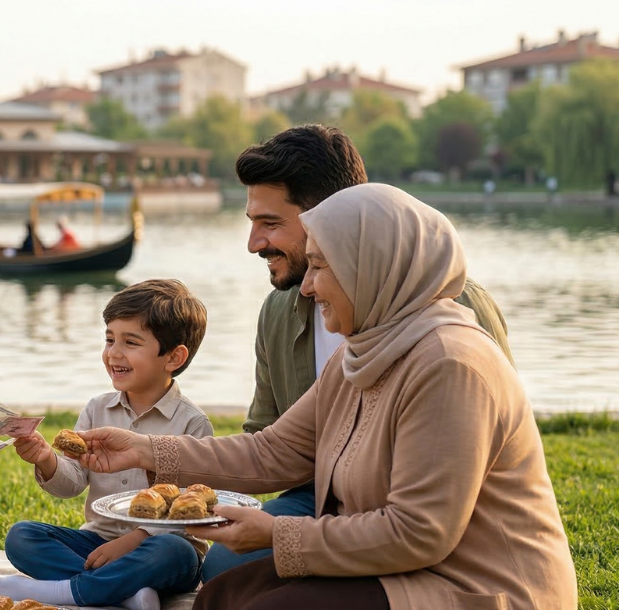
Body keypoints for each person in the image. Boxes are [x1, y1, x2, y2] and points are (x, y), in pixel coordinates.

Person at [78, 184, 577, 610]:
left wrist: (277, 535)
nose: (308, 288)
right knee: (216, 603)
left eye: (320, 268)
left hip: (478, 596)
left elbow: (419, 533)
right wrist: (145, 449)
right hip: (394, 573)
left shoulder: (449, 363)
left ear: (372, 265)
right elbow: (272, 451)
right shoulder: (361, 353)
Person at [199, 125, 514, 582]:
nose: (253, 244)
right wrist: (150, 458)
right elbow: (267, 440)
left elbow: (485, 448)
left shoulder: (458, 310)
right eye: (251, 223)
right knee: (227, 572)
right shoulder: (279, 311)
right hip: (319, 496)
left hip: (429, 508)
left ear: (332, 219)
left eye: (269, 224)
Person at [0, 280, 211, 610]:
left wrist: (133, 540)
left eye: (131, 342)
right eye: (110, 339)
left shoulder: (192, 425)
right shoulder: (97, 409)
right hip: (97, 541)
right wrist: (46, 459)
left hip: (156, 547)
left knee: (174, 551)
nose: (114, 353)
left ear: (173, 357)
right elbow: (72, 483)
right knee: (21, 536)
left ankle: (72, 589)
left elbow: (188, 512)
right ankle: (123, 593)